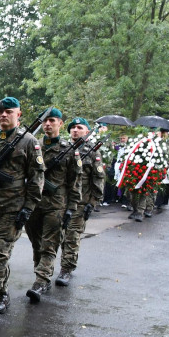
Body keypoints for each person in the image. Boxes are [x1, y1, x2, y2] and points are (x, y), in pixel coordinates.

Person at [0, 97, 45, 320]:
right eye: (1, 112)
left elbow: (36, 177)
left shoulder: (29, 141)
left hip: (12, 207)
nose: (4, 115)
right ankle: (2, 293)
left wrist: (29, 207)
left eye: (9, 112)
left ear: (18, 114)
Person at [24, 108, 81, 302]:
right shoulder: (34, 145)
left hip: (56, 204)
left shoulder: (69, 150)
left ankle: (41, 280)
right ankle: (42, 274)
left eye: (52, 121)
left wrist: (72, 208)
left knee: (49, 245)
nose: (47, 124)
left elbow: (75, 182)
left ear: (60, 124)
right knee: (36, 243)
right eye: (45, 121)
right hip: (33, 203)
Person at [55, 118, 106, 286]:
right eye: (72, 128)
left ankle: (66, 269)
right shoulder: (62, 148)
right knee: (55, 235)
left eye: (79, 127)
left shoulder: (92, 152)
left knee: (71, 236)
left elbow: (98, 179)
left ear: (86, 131)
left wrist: (92, 202)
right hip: (59, 200)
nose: (75, 130)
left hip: (80, 202)